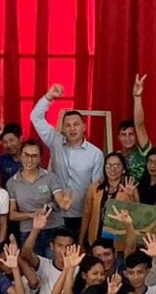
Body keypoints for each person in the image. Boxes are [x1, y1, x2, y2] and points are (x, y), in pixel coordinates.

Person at [31, 84, 104, 234]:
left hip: (81, 215)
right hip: (55, 213)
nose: (72, 129)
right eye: (68, 125)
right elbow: (35, 118)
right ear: (62, 128)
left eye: (76, 125)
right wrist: (49, 97)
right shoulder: (55, 141)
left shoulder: (95, 154)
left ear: (84, 127)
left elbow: (96, 190)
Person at [7, 140, 70, 259]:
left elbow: (60, 199)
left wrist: (64, 203)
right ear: (20, 155)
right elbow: (12, 215)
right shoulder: (12, 182)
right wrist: (32, 215)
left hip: (53, 229)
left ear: (41, 158)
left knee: (55, 267)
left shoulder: (50, 177)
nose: (29, 160)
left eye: (34, 156)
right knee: (33, 268)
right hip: (28, 232)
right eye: (26, 155)